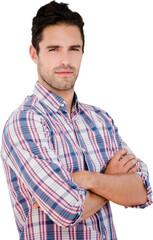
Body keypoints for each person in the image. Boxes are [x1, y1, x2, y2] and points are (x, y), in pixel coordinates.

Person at [1, 1, 152, 239]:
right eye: (53, 49)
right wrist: (112, 182)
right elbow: (67, 209)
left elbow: (143, 190)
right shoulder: (25, 122)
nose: (65, 60)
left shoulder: (100, 120)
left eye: (74, 48)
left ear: (83, 52)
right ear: (34, 53)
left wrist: (86, 179)